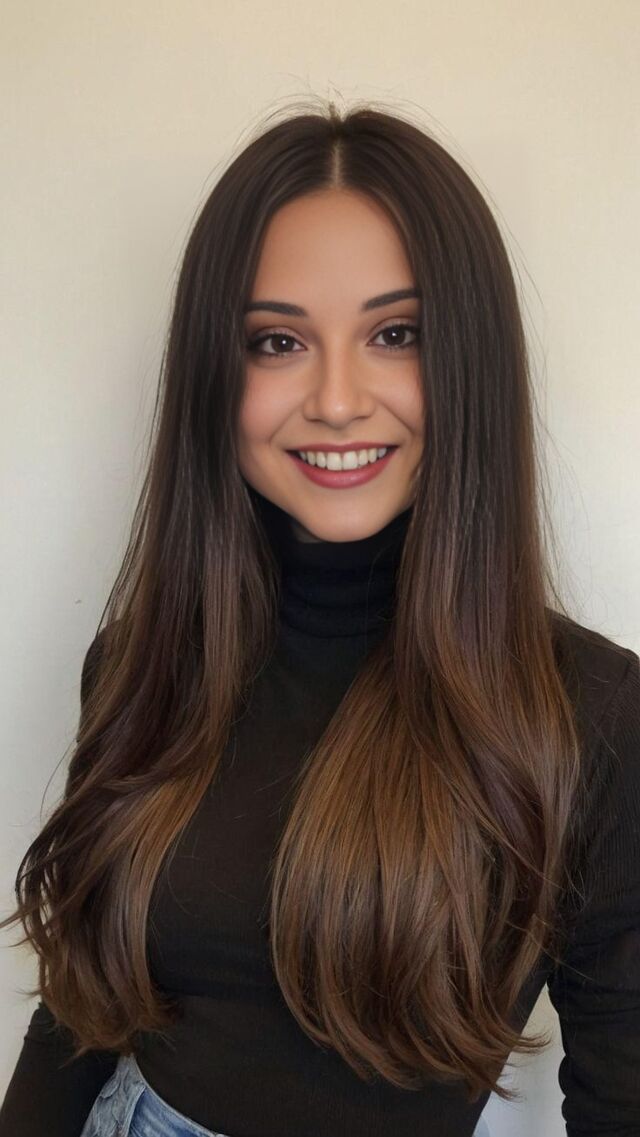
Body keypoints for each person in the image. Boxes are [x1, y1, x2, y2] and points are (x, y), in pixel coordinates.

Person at [1, 98, 638, 1137]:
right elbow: (79, 1012)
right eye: (277, 341)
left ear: (469, 360)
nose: (337, 400)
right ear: (217, 376)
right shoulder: (138, 664)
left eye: (396, 334)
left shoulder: (593, 714)